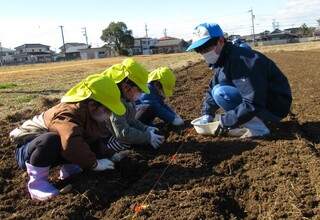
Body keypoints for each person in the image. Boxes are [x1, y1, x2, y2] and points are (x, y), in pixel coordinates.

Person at [10, 74, 126, 201]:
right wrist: (94, 164)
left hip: (54, 149)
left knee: (79, 139)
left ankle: (70, 170)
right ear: (93, 105)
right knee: (53, 139)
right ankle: (37, 184)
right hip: (28, 151)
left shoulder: (91, 116)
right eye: (108, 110)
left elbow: (93, 141)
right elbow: (70, 141)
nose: (109, 114)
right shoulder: (69, 113)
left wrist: (110, 155)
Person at [186, 22, 292, 138]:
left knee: (221, 93)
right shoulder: (223, 60)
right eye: (199, 51)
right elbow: (212, 88)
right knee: (216, 89)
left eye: (206, 49)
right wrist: (207, 113)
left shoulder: (242, 60)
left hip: (274, 107)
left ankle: (258, 130)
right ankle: (252, 122)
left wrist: (225, 121)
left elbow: (253, 100)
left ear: (221, 41)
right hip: (265, 102)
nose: (203, 54)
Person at [101, 58, 165, 153]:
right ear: (126, 87)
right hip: (104, 137)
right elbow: (122, 132)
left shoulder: (127, 97)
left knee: (134, 138)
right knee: (127, 143)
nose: (140, 93)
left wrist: (146, 128)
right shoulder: (115, 102)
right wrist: (147, 137)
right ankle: (104, 153)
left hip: (115, 133)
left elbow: (131, 121)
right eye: (139, 90)